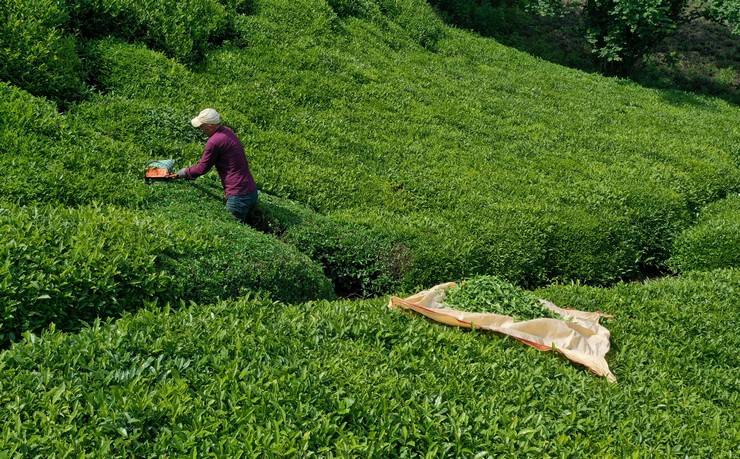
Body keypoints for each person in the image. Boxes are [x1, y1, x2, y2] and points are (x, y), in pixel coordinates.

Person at [174, 108, 258, 222]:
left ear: (209, 126)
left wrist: (184, 173)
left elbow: (202, 168)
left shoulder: (214, 141)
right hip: (251, 191)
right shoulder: (227, 131)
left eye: (201, 127)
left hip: (238, 196)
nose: (200, 130)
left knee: (230, 231)